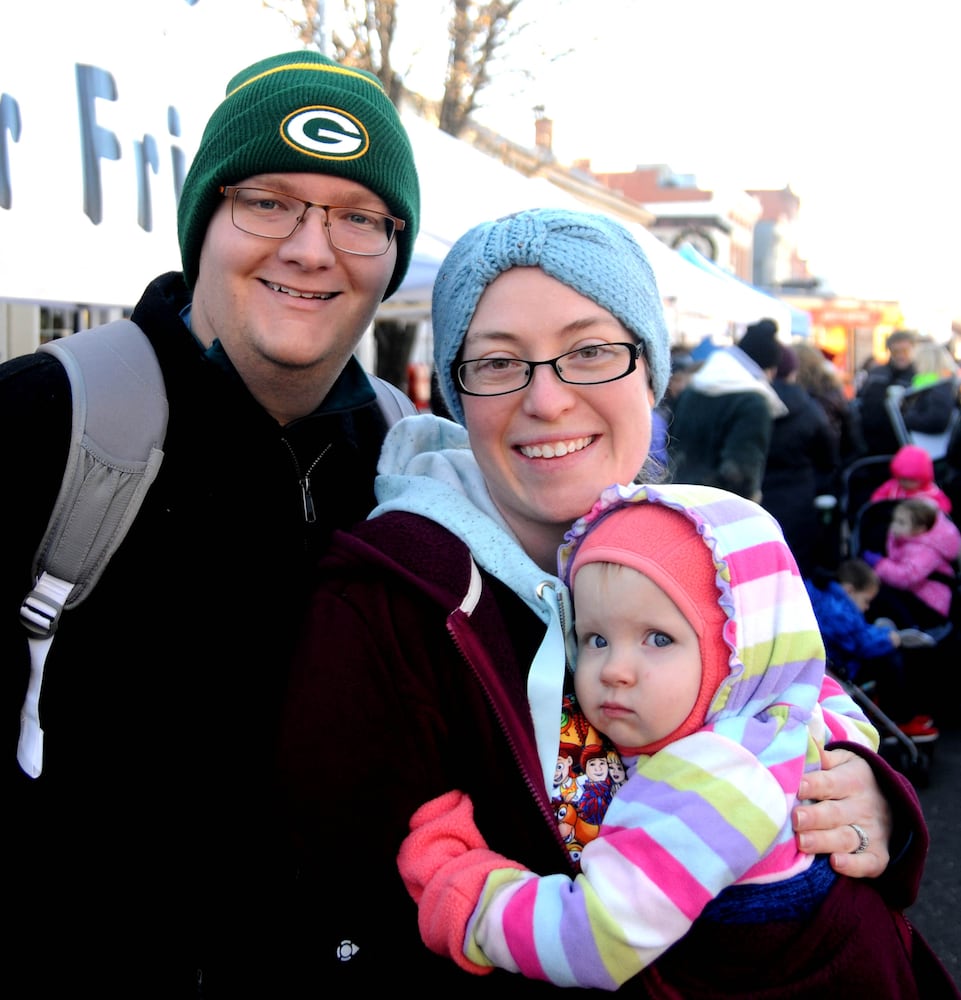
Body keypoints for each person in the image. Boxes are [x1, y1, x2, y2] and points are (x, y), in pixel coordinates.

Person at [280, 208, 931, 992]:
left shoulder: (707, 538)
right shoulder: (385, 609)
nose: (548, 400)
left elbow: (795, 687)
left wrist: (868, 795)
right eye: (495, 362)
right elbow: (353, 922)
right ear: (457, 392)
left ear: (649, 372)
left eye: (590, 351)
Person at [2, 50, 420, 996]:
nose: (312, 249)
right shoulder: (45, 421)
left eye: (359, 216)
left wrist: (834, 765)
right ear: (205, 223)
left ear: (392, 253)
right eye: (267, 201)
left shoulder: (409, 468)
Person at [397, 483, 958, 996]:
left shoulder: (712, 777)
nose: (615, 669)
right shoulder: (782, 713)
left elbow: (596, 938)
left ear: (738, 653)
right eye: (594, 638)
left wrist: (464, 892)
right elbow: (831, 700)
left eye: (658, 638)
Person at [805, 558, 937, 739]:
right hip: (841, 667)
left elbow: (856, 632)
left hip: (839, 662)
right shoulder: (835, 609)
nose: (866, 608)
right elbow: (859, 643)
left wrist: (885, 634)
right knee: (890, 660)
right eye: (866, 601)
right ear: (849, 590)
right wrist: (891, 638)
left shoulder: (830, 599)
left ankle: (897, 714)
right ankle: (897, 717)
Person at [668, 316, 787, 502]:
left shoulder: (695, 387)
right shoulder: (753, 401)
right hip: (720, 511)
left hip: (676, 498)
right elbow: (741, 475)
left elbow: (672, 445)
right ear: (766, 368)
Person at [760, 343, 839, 576]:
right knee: (796, 569)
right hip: (800, 498)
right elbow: (828, 456)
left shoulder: (753, 403)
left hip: (759, 497)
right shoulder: (810, 409)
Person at [863, 498, 961, 632]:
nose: (893, 526)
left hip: (930, 606)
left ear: (920, 528)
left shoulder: (926, 551)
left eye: (901, 522)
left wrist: (880, 564)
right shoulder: (906, 537)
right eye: (894, 519)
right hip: (915, 594)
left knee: (884, 593)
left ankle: (911, 630)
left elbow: (906, 577)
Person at [855, 329, 917, 455]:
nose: (900, 355)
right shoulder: (876, 373)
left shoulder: (917, 376)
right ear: (889, 351)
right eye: (896, 351)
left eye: (905, 351)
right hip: (873, 440)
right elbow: (862, 399)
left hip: (905, 442)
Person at [870, 443, 953, 513]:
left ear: (923, 479)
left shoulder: (930, 492)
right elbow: (876, 500)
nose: (906, 483)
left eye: (912, 480)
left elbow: (945, 507)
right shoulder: (893, 486)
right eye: (902, 479)